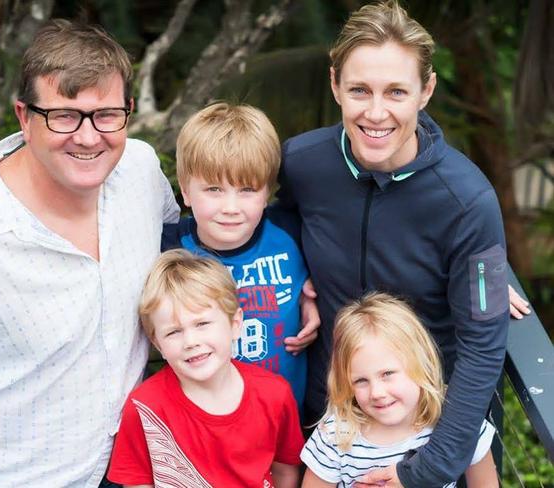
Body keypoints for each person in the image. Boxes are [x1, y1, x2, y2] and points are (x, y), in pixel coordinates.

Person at [0, 19, 178, 487]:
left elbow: (190, 245)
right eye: (65, 116)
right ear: (23, 117)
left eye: (107, 114)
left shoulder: (140, 172)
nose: (89, 137)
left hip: (129, 472)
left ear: (128, 110)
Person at [276, 1, 510, 486]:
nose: (376, 112)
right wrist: (298, 279)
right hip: (331, 430)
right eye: (360, 89)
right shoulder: (301, 164)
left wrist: (422, 472)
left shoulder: (468, 202)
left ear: (426, 91)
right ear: (336, 82)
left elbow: (483, 347)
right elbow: (263, 226)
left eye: (396, 92)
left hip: (432, 438)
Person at [161, 102, 318, 409]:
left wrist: (314, 294)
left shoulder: (292, 231)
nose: (230, 207)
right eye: (214, 190)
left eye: (247, 189)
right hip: (207, 424)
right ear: (185, 190)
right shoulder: (169, 248)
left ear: (267, 191)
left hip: (285, 422)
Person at [106, 249, 304, 487]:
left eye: (202, 324)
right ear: (157, 342)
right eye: (173, 332)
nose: (191, 342)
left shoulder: (274, 394)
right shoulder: (145, 407)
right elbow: (137, 483)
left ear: (235, 324)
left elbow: (285, 471)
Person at [300, 292, 498, 488]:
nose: (376, 392)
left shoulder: (457, 422)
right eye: (361, 380)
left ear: (421, 363)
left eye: (387, 373)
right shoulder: (335, 434)